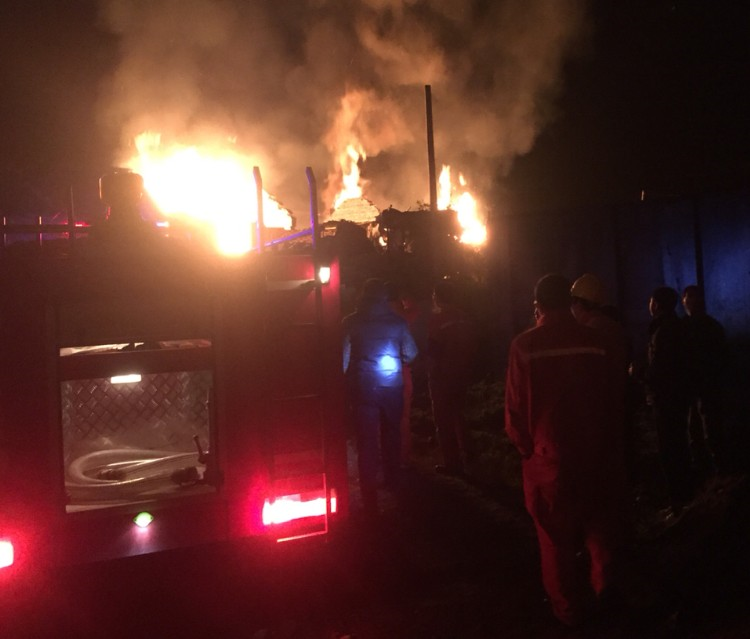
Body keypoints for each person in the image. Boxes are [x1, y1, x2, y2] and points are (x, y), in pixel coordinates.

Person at [505, 273, 625, 628]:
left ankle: (569, 612)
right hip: (597, 455)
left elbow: (514, 411)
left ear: (538, 306)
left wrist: (525, 449)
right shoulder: (598, 343)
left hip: (549, 462)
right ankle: (607, 593)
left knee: (555, 539)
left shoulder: (524, 346)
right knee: (599, 529)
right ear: (570, 303)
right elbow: (615, 399)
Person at [343, 278, 418, 514]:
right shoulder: (398, 322)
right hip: (392, 386)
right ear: (385, 298)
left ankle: (369, 497)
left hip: (363, 387)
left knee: (366, 441)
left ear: (363, 296)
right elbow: (412, 353)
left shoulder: (350, 322)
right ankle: (393, 482)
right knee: (391, 435)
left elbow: (343, 360)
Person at [644, 286, 694, 512]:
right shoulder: (678, 326)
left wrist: (640, 374)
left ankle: (679, 501)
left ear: (656, 304)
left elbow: (659, 369)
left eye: (651, 301)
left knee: (670, 449)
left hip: (666, 399)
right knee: (679, 445)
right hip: (678, 397)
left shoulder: (663, 330)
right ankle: (684, 497)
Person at [427, 277, 478, 477]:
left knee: (444, 420)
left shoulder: (437, 320)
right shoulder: (465, 318)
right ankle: (470, 454)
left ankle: (452, 463)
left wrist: (430, 372)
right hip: (464, 373)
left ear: (437, 297)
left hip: (442, 376)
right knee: (460, 415)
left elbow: (433, 350)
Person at [681, 284, 729, 475]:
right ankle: (710, 469)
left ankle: (716, 469)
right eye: (689, 296)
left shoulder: (699, 326)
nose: (692, 301)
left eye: (695, 297)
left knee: (708, 428)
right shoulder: (706, 326)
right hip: (698, 386)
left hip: (705, 386)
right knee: (698, 428)